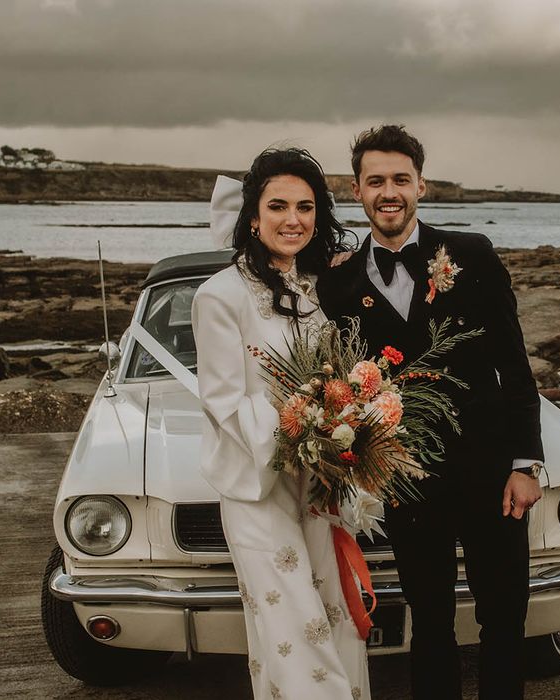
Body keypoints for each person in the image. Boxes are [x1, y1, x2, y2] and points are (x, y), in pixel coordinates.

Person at [317, 125, 544, 700]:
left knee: (503, 617)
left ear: (421, 184)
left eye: (400, 179)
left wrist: (526, 462)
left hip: (492, 471)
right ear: (357, 189)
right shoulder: (338, 283)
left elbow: (513, 365)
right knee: (432, 622)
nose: (388, 192)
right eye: (375, 181)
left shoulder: (471, 255)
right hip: (405, 479)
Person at [191, 148, 370, 700]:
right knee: (295, 629)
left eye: (305, 207)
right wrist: (303, 422)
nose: (293, 219)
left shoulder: (322, 290)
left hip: (319, 485)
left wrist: (347, 422)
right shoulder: (218, 296)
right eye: (278, 206)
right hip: (257, 484)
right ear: (252, 216)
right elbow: (223, 401)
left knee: (333, 619)